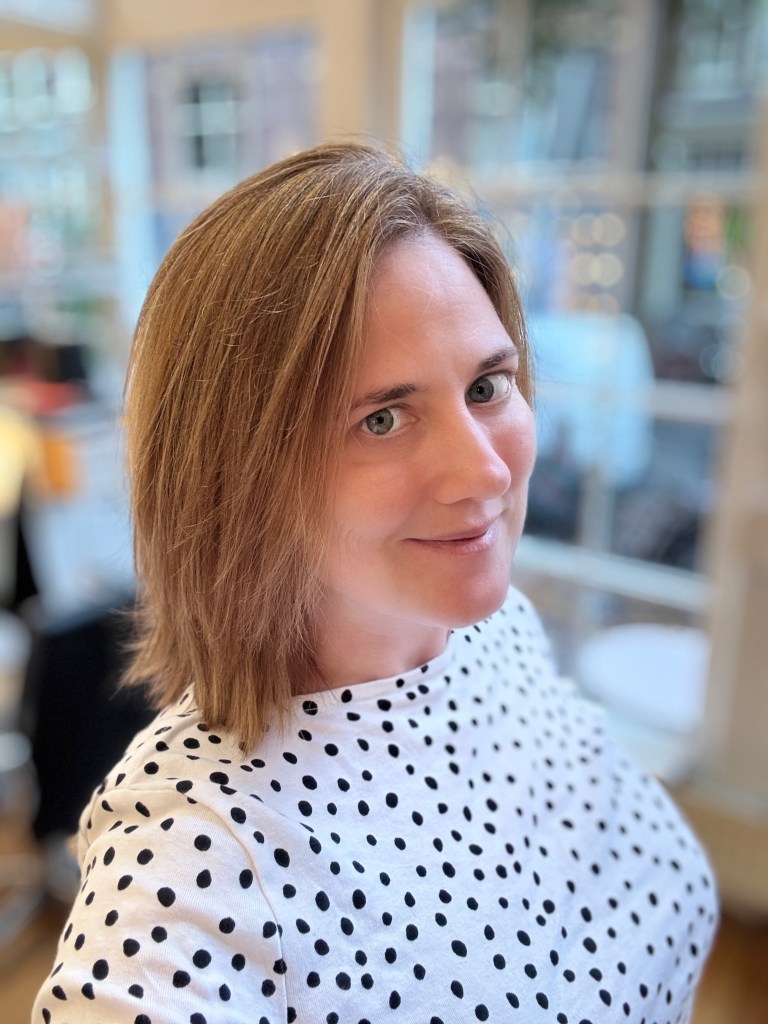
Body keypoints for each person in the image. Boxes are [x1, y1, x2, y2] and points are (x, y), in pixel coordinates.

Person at [33, 143, 717, 1024]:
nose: (485, 476)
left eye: (487, 386)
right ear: (235, 475)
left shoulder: (494, 628)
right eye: (383, 418)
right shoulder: (189, 875)